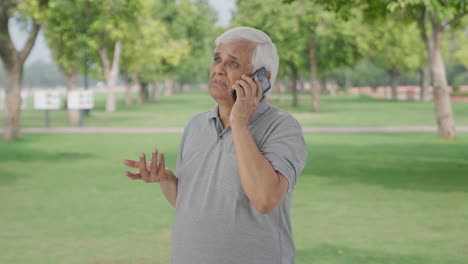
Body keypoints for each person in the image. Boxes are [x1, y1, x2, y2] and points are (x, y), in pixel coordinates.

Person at [124, 27, 307, 264]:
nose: (219, 69)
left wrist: (239, 123)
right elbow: (191, 205)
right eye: (217, 59)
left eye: (233, 64)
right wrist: (166, 179)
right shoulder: (196, 126)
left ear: (261, 79)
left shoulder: (282, 128)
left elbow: (265, 199)